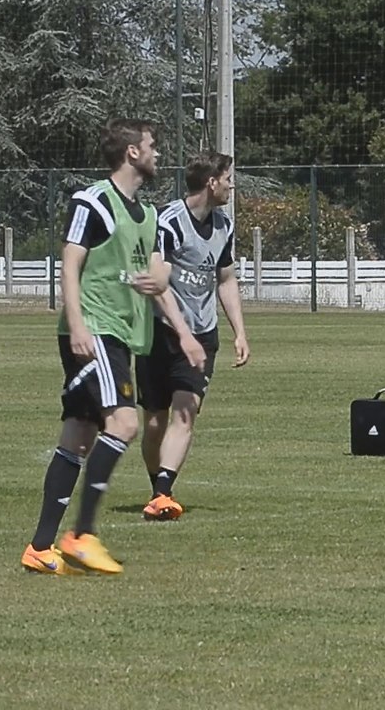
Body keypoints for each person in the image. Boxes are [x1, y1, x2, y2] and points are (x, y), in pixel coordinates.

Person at [20, 118, 167, 575]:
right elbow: (70, 260)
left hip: (124, 334)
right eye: (152, 146)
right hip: (96, 330)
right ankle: (82, 536)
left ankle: (40, 548)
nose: (158, 153)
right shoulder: (94, 201)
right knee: (124, 423)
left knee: (78, 436)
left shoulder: (148, 214)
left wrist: (162, 278)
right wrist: (79, 324)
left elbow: (160, 270)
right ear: (132, 153)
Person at [135, 150, 250, 521]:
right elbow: (159, 283)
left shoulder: (224, 226)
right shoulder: (168, 221)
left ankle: (163, 491)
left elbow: (226, 280)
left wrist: (240, 333)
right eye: (228, 178)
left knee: (186, 411)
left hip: (202, 334)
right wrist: (180, 331)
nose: (232, 185)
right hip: (160, 332)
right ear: (211, 181)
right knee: (154, 420)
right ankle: (157, 487)